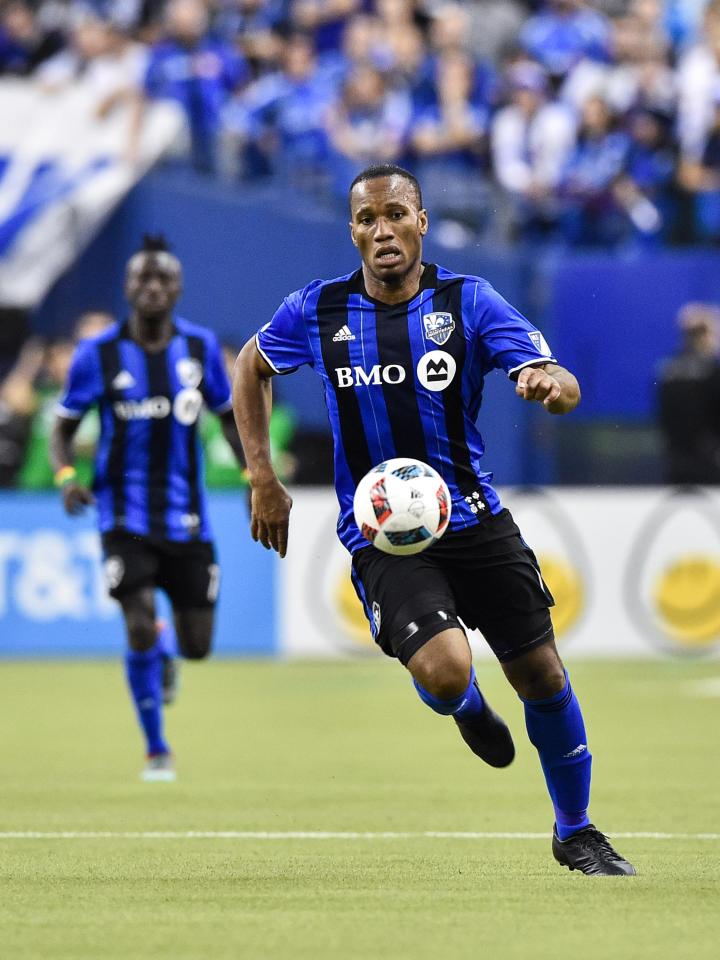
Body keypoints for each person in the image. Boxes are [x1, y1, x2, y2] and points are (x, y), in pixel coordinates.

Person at [233, 162, 636, 876]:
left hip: (474, 517)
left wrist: (549, 385)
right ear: (352, 231)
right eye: (366, 219)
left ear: (421, 222)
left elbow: (560, 380)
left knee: (542, 673)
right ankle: (466, 705)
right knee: (448, 672)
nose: (382, 230)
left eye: (395, 214)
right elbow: (250, 365)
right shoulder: (318, 310)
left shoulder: (469, 302)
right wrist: (261, 475)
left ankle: (576, 831)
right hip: (384, 534)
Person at [50, 235, 245, 782]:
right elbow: (61, 430)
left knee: (197, 647)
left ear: (178, 288)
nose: (154, 287)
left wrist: (254, 472)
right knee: (136, 624)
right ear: (128, 286)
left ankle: (166, 651)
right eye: (144, 279)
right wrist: (67, 477)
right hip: (122, 517)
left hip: (188, 520)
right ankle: (156, 748)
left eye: (164, 279)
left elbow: (229, 416)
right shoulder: (98, 354)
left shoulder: (200, 347)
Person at [657, 302, 720, 484]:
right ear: (705, 335)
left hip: (675, 463)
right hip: (710, 464)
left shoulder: (667, 370)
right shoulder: (712, 372)